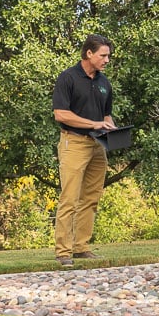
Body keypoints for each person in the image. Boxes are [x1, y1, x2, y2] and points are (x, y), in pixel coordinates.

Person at [52, 34, 116, 267]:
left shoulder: (104, 83)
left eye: (108, 56)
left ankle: (81, 247)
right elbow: (61, 114)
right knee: (69, 198)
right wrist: (94, 124)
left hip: (98, 145)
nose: (107, 60)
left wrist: (109, 125)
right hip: (74, 143)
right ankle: (63, 252)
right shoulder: (68, 78)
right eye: (103, 55)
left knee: (91, 198)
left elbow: (105, 114)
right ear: (89, 53)